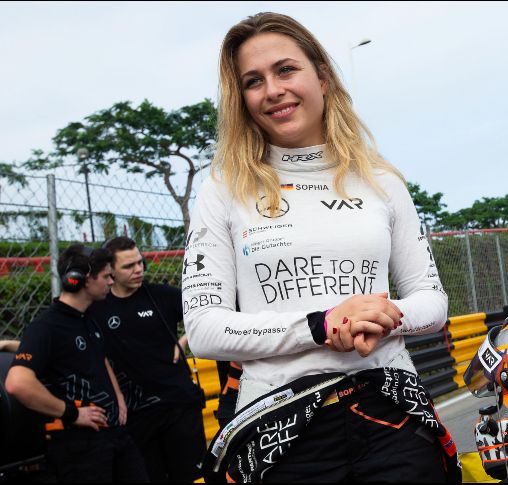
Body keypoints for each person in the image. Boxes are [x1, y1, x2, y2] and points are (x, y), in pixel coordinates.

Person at [183, 12, 456, 483]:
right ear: (242, 99)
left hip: (389, 409)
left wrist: (381, 316)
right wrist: (322, 325)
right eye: (253, 81)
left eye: (286, 70)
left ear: (323, 78)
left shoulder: (382, 181)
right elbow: (205, 328)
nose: (272, 90)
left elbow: (432, 302)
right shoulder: (222, 188)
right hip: (278, 425)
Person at [4, 244, 147, 483]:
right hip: (80, 445)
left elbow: (97, 356)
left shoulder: (87, 317)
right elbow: (17, 383)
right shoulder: (47, 326)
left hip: (115, 435)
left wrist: (118, 398)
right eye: (106, 276)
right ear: (81, 280)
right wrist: (71, 413)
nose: (111, 282)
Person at [89, 237, 206, 483]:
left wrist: (184, 341)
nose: (138, 269)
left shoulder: (159, 295)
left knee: (190, 475)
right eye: (128, 266)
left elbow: (207, 312)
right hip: (135, 414)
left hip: (178, 404)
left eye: (140, 263)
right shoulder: (98, 308)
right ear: (110, 270)